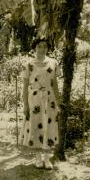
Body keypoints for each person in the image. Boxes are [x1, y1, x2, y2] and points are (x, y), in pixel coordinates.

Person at [19, 37, 61, 169]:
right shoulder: (29, 65)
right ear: (34, 48)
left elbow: (55, 84)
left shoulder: (53, 63)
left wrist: (58, 102)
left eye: (45, 46)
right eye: (39, 46)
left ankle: (47, 159)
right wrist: (25, 105)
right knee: (35, 125)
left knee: (49, 126)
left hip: (49, 98)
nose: (42, 49)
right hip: (34, 99)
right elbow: (25, 87)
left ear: (48, 48)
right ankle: (38, 158)